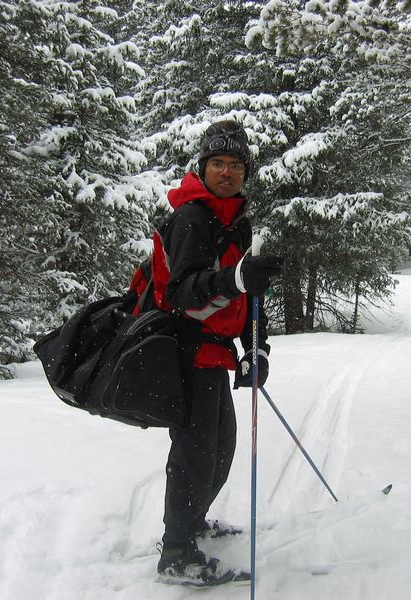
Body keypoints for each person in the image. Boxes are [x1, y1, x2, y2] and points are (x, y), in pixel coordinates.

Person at [145, 120, 283, 586]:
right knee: (196, 452)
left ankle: (193, 522)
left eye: (236, 165)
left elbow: (247, 298)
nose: (227, 172)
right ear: (202, 168)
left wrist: (255, 348)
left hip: (214, 354)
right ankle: (177, 553)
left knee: (220, 447)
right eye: (218, 163)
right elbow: (183, 294)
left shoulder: (234, 221)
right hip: (185, 352)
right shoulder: (192, 218)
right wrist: (235, 278)